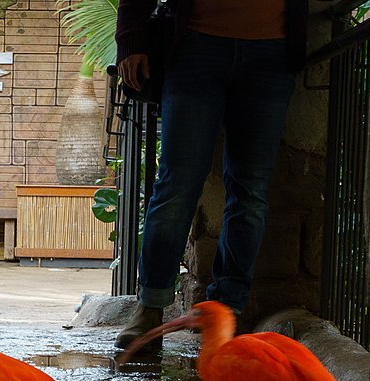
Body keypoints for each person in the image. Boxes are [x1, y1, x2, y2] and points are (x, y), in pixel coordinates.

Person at [113, 0, 309, 348]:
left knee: (251, 191)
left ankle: (225, 314)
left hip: (272, 52)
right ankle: (151, 308)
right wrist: (131, 41)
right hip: (196, 46)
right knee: (176, 184)